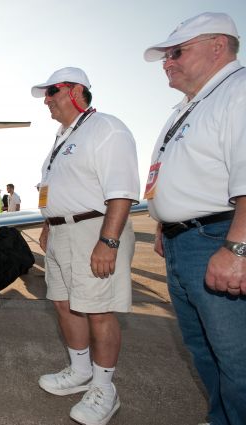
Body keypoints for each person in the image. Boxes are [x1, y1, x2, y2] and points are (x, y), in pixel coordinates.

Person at [144, 12, 246, 425]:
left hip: (219, 238)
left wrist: (237, 247)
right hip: (185, 241)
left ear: (218, 46)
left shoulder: (238, 92)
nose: (167, 62)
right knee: (203, 349)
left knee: (236, 359)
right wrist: (165, 225)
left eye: (177, 52)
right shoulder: (191, 105)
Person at [32, 67, 139, 425]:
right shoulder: (62, 137)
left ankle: (105, 388)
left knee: (98, 310)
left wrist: (107, 242)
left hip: (95, 229)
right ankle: (80, 372)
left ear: (77, 90)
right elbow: (54, 188)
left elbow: (122, 191)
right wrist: (49, 224)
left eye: (52, 91)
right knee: (64, 304)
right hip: (62, 233)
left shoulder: (106, 128)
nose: (46, 100)